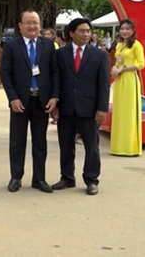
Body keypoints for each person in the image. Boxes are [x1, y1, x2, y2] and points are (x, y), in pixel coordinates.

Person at [1, 10, 59, 193]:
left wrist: (54, 97)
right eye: (28, 22)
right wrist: (13, 98)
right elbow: (5, 73)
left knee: (40, 141)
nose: (32, 26)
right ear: (20, 25)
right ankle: (16, 177)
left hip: (42, 101)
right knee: (17, 141)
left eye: (35, 22)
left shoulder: (48, 45)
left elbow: (55, 72)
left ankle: (39, 179)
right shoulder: (11, 46)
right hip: (20, 101)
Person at [52, 18, 110, 196]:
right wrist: (55, 104)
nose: (86, 34)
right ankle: (67, 177)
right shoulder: (61, 54)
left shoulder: (100, 55)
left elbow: (104, 84)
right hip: (66, 106)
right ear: (71, 33)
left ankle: (91, 179)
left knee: (91, 145)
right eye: (82, 31)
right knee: (66, 145)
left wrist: (102, 108)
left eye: (88, 31)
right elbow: (56, 81)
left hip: (90, 108)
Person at [110, 19, 145, 157]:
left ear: (133, 31)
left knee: (129, 112)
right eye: (122, 28)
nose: (124, 31)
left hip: (130, 79)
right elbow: (117, 61)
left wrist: (123, 68)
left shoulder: (136, 45)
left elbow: (141, 64)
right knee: (119, 111)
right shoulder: (119, 45)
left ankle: (130, 147)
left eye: (127, 29)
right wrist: (115, 68)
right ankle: (118, 146)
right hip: (119, 80)